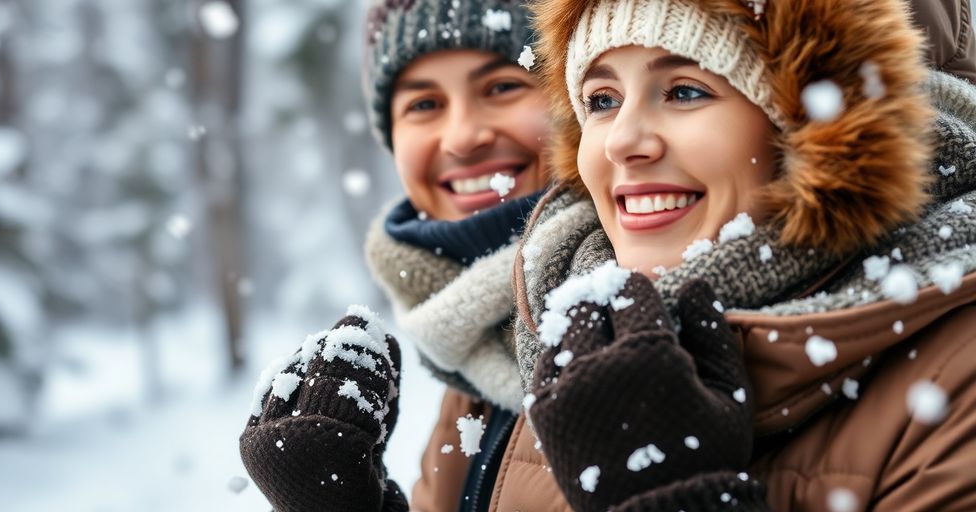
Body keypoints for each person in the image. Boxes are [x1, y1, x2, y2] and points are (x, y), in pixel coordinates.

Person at [498, 0, 976, 510]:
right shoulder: (554, 322)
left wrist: (670, 501)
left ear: (818, 135)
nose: (622, 141)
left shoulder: (959, 383)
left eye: (684, 91)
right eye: (601, 100)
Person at [239, 0, 551, 510]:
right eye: (424, 104)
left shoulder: (640, 305)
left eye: (502, 86)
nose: (464, 137)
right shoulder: (465, 348)